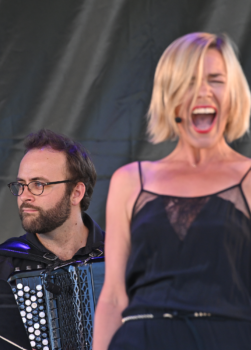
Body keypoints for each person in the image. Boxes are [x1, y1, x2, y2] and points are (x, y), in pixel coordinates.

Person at [93, 32, 251, 350]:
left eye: (215, 79)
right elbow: (112, 296)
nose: (203, 92)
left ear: (233, 93)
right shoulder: (130, 181)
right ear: (169, 95)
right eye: (189, 81)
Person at [0, 129, 104, 280]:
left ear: (76, 193)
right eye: (21, 185)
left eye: (38, 184)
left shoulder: (124, 258)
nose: (24, 196)